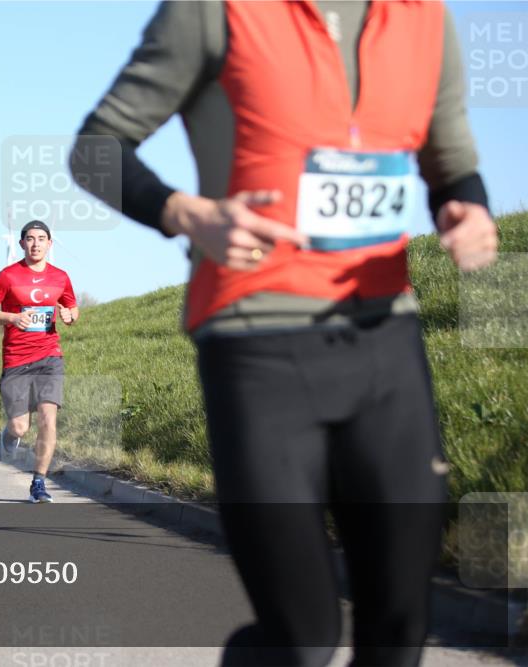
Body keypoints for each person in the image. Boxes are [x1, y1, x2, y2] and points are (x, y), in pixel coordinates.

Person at [71, 2, 497, 664]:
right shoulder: (212, 11)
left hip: (384, 339)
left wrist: (469, 211)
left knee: (399, 630)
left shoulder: (423, 18)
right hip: (257, 341)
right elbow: (95, 150)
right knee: (302, 638)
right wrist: (187, 214)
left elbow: (452, 166)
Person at [0, 220, 79, 503]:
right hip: (16, 359)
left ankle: (38, 482)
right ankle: (10, 435)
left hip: (50, 356)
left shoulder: (60, 277)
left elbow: (71, 306)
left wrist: (71, 316)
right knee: (20, 427)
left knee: (48, 418)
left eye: (41, 238)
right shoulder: (8, 276)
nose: (36, 244)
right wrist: (11, 317)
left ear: (50, 243)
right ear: (22, 243)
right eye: (30, 239)